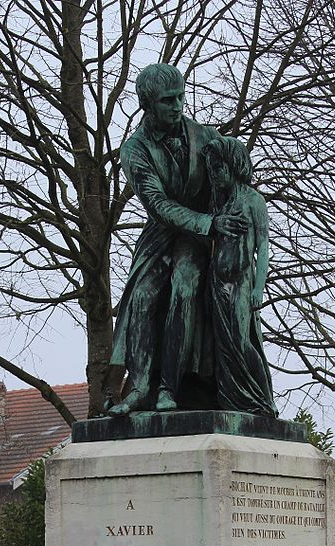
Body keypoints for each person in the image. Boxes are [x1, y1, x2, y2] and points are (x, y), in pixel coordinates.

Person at [106, 64, 247, 416]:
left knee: (185, 285)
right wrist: (208, 222)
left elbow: (236, 180)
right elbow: (158, 206)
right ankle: (139, 388)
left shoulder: (207, 136)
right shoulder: (134, 150)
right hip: (163, 235)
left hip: (201, 240)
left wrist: (235, 217)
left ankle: (170, 387)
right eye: (168, 100)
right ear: (147, 105)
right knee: (141, 295)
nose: (178, 105)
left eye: (181, 97)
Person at [203, 136, 278, 417]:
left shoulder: (253, 200)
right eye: (211, 169)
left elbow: (264, 246)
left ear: (233, 166)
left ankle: (262, 398)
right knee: (224, 346)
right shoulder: (217, 202)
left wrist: (259, 287)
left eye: (218, 169)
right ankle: (234, 399)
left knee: (241, 341)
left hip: (241, 283)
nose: (214, 175)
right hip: (217, 281)